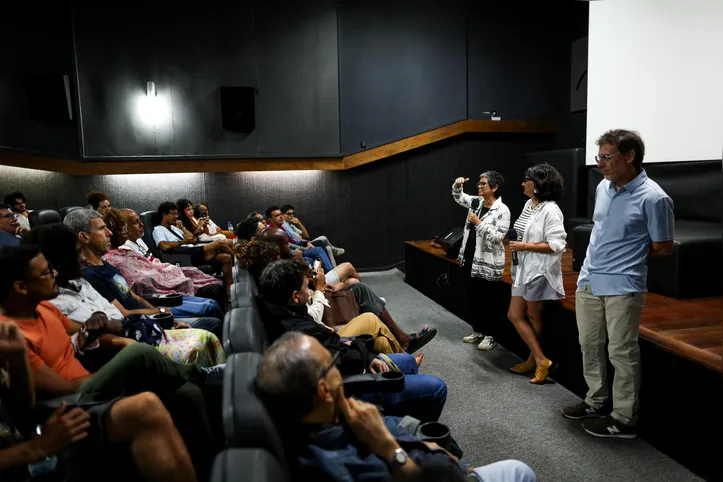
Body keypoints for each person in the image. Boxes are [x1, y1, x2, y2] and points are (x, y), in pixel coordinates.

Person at [0, 245, 225, 479]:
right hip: (67, 403)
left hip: (88, 382)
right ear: (21, 287)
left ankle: (209, 470)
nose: (55, 274)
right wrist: (117, 373)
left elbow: (83, 332)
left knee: (187, 394)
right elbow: (57, 388)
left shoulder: (44, 307)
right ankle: (204, 374)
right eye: (47, 272)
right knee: (138, 355)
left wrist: (101, 327)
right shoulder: (10, 333)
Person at [256, 332, 537, 482]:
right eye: (331, 364)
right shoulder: (345, 461)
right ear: (322, 390)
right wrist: (394, 450)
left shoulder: (309, 423)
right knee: (519, 471)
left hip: (421, 451)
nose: (337, 369)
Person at [562, 129, 674, 439]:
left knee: (621, 352)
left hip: (624, 286)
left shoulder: (654, 197)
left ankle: (624, 418)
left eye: (607, 157)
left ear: (629, 157)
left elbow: (664, 246)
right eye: (598, 157)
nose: (600, 164)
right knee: (589, 345)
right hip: (589, 280)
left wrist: (631, 254)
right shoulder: (603, 187)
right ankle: (596, 401)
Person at [0, 321, 198, 482]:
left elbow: (20, 405)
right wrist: (34, 449)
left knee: (159, 401)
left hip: (31, 433)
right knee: (139, 362)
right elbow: (57, 389)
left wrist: (17, 360)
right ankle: (204, 375)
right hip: (25, 456)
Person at [258, 259, 447, 422]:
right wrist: (362, 345)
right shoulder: (300, 332)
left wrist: (361, 352)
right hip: (350, 385)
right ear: (295, 297)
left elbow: (338, 349)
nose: (310, 290)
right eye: (307, 287)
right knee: (437, 387)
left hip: (348, 361)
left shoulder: (281, 310)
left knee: (406, 362)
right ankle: (410, 432)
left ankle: (402, 405)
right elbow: (349, 360)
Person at [24, 223, 225, 367]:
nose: (83, 257)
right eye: (77, 252)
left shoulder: (81, 282)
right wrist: (159, 317)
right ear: (57, 260)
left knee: (206, 331)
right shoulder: (52, 303)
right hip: (125, 347)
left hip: (139, 328)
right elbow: (106, 331)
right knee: (206, 329)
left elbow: (122, 308)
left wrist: (159, 318)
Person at [236, 239, 436, 354]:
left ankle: (401, 359)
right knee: (368, 314)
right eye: (279, 257)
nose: (282, 259)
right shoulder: (275, 290)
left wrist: (315, 288)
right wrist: (319, 290)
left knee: (354, 286)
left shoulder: (270, 286)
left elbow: (298, 310)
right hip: (322, 334)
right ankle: (403, 350)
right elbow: (308, 318)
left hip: (316, 321)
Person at [64, 209, 224, 339]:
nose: (109, 233)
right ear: (84, 236)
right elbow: (123, 314)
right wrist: (159, 314)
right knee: (213, 321)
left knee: (212, 309)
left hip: (152, 312)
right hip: (140, 323)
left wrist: (161, 313)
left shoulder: (104, 264)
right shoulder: (91, 275)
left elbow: (135, 297)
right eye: (101, 229)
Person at [102, 208, 225, 321]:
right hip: (159, 296)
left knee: (213, 296)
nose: (141, 225)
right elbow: (139, 286)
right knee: (211, 306)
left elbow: (151, 264)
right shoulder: (110, 261)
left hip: (164, 280)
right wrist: (157, 310)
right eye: (172, 213)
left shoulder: (127, 250)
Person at [507, 164, 567, 384]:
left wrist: (525, 246)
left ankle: (535, 360)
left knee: (534, 317)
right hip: (523, 268)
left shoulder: (551, 210)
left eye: (527, 179)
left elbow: (557, 244)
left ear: (540, 184)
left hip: (540, 271)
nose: (523, 183)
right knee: (514, 314)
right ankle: (540, 359)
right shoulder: (529, 204)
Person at [452, 172, 511, 351]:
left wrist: (479, 223)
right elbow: (459, 197)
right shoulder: (476, 202)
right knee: (473, 297)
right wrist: (457, 185)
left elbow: (498, 237)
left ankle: (491, 335)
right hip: (470, 258)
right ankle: (478, 330)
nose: (479, 186)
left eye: (483, 184)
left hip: (488, 262)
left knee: (489, 299)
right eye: (478, 183)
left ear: (494, 188)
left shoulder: (502, 210)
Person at [152, 201, 234, 294]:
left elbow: (192, 238)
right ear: (164, 214)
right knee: (221, 243)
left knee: (226, 258)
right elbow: (164, 246)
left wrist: (182, 228)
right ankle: (242, 260)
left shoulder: (175, 228)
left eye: (177, 214)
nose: (176, 217)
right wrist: (183, 241)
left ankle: (229, 290)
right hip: (185, 254)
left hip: (193, 250)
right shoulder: (158, 230)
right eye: (173, 214)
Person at [258, 226, 361, 291]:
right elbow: (311, 282)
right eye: (286, 244)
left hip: (316, 284)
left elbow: (310, 276)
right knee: (348, 266)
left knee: (353, 282)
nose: (289, 246)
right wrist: (317, 272)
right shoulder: (284, 268)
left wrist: (316, 268)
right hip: (317, 290)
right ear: (275, 248)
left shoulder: (280, 261)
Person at [266, 205, 336, 271]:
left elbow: (295, 239)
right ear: (270, 219)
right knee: (318, 250)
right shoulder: (272, 231)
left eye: (280, 214)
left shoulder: (281, 226)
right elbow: (286, 245)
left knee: (315, 255)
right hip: (288, 254)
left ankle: (318, 276)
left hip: (296, 248)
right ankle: (331, 272)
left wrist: (306, 243)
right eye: (277, 215)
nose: (281, 217)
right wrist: (301, 249)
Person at [280, 203, 345, 257]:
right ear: (282, 215)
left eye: (293, 213)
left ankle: (333, 266)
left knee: (328, 248)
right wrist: (307, 242)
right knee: (322, 240)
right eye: (288, 214)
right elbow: (295, 239)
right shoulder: (284, 225)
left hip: (304, 242)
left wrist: (299, 223)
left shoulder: (291, 225)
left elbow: (306, 236)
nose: (291, 216)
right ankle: (333, 251)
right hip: (300, 244)